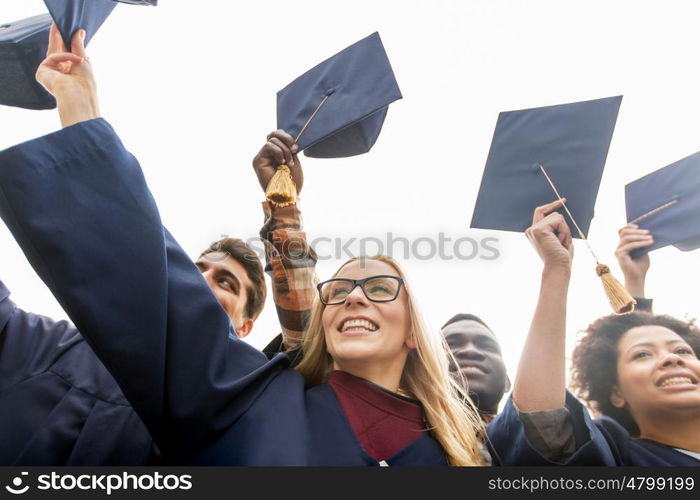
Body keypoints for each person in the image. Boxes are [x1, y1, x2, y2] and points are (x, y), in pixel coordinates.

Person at [0, 27, 486, 466]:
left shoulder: (465, 455)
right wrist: (79, 108)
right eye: (336, 291)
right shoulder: (248, 399)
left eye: (379, 287)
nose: (353, 296)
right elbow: (154, 275)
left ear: (414, 332)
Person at [487, 200, 700, 465]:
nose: (672, 358)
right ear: (616, 394)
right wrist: (557, 270)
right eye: (642, 355)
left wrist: (634, 283)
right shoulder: (622, 458)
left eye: (683, 350)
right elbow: (544, 427)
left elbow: (641, 334)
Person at [441, 314, 510, 421]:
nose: (470, 351)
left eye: (488, 346)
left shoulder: (529, 435)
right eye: (450, 345)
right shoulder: (407, 435)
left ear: (506, 382)